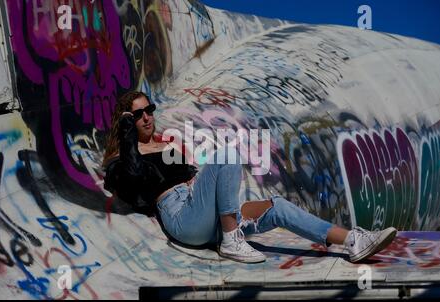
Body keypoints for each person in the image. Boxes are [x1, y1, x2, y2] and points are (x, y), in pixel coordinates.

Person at [102, 91, 397, 264]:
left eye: (149, 110)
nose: (146, 117)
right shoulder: (122, 160)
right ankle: (232, 240)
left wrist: (198, 180)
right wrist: (127, 133)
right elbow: (135, 178)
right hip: (183, 218)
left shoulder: (165, 144)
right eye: (137, 114)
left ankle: (352, 241)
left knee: (278, 205)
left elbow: (189, 174)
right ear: (126, 121)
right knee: (227, 154)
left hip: (206, 211)